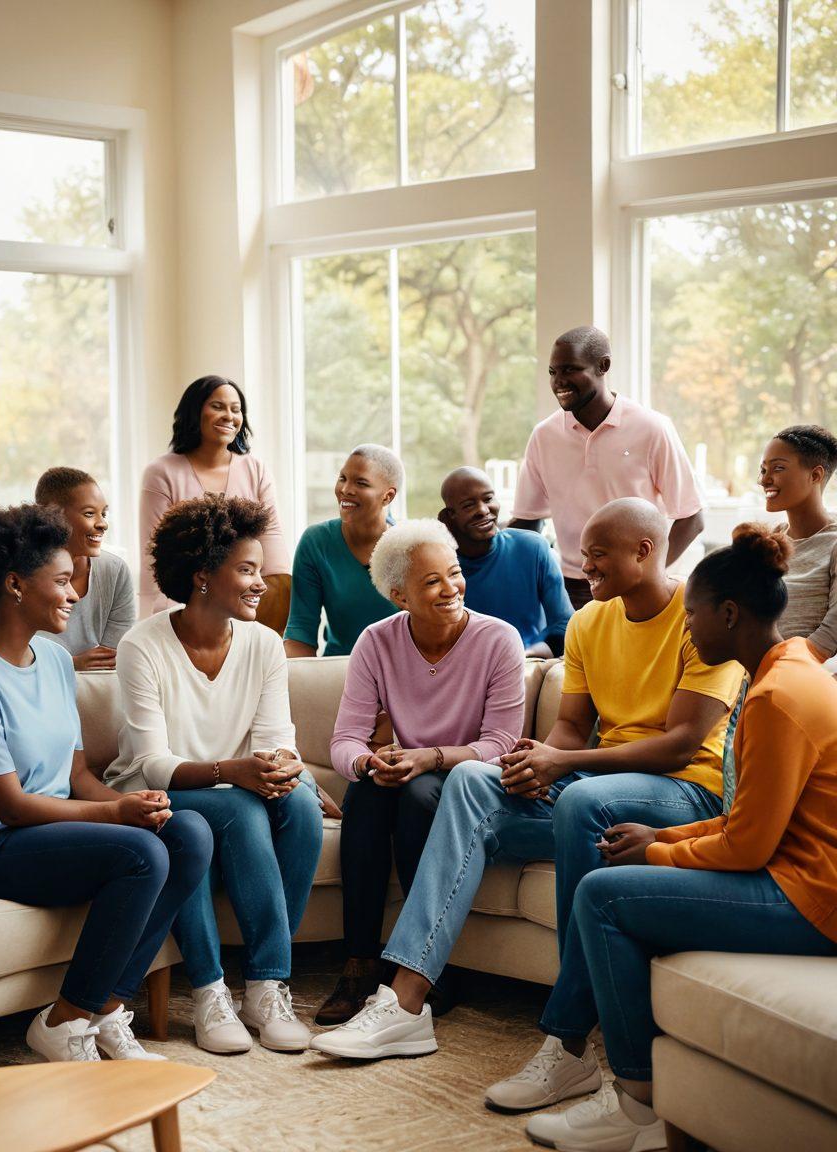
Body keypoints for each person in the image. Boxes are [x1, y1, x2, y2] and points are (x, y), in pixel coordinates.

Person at [310, 498, 743, 1062]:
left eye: (597, 555)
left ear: (644, 550)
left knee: (574, 798)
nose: (583, 567)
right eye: (583, 554)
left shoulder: (701, 614)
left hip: (681, 790)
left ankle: (567, 1041)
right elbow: (569, 726)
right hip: (592, 789)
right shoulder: (588, 621)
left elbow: (682, 744)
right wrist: (533, 762)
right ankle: (406, 1003)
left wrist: (564, 765)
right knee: (470, 779)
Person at [521, 523, 837, 1151]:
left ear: (729, 612)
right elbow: (749, 816)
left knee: (603, 897)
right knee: (612, 886)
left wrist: (659, 849)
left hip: (812, 898)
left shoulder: (776, 696)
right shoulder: (785, 668)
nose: (686, 627)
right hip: (794, 873)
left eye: (692, 614)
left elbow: (748, 846)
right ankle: (603, 1074)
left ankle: (636, 1108)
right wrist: (664, 835)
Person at [0, 504, 212, 1063]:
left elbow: (76, 776)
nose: (74, 594)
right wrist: (117, 819)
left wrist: (135, 803)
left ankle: (107, 1009)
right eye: (62, 581)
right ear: (15, 584)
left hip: (45, 826)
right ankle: (64, 1023)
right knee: (140, 854)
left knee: (187, 832)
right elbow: (10, 806)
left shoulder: (57, 661)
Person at [105, 495, 323, 1055]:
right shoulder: (142, 646)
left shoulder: (264, 644)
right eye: (246, 570)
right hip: (155, 793)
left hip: (236, 784)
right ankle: (208, 990)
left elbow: (277, 738)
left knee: (299, 805)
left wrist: (284, 764)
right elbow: (153, 763)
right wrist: (235, 772)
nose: (261, 583)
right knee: (237, 808)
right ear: (203, 576)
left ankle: (266, 983)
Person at [314, 520, 525, 1027]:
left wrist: (428, 757)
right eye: (432, 582)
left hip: (464, 785)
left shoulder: (498, 640)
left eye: (454, 574)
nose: (450, 588)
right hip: (401, 775)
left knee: (421, 793)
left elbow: (500, 745)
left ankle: (427, 967)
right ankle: (360, 963)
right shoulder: (376, 642)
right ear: (398, 594)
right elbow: (344, 741)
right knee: (366, 794)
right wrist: (368, 762)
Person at [509, 326, 704, 609]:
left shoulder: (652, 427)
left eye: (570, 370)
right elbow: (528, 522)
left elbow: (691, 517)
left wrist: (650, 573)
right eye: (553, 372)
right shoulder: (544, 435)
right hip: (571, 589)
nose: (559, 382)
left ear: (604, 366)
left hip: (636, 588)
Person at [138, 375, 292, 632]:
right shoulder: (161, 472)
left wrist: (273, 614)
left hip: (246, 610)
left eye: (236, 409)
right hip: (183, 611)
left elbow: (272, 542)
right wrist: (167, 621)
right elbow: (153, 553)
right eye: (217, 406)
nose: (229, 416)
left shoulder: (256, 469)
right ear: (194, 412)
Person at [0, 468, 135, 671]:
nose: (103, 523)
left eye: (104, 513)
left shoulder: (115, 570)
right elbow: (10, 662)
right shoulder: (13, 581)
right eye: (89, 513)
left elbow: (110, 663)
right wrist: (70, 664)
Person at [283, 445, 402, 657]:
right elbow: (300, 631)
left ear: (388, 496)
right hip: (339, 673)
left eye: (361, 483)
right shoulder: (316, 542)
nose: (345, 490)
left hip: (399, 674)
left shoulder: (411, 547)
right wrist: (299, 684)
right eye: (342, 478)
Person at [439, 466, 572, 656]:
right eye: (468, 505)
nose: (483, 510)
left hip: (531, 663)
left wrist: (526, 655)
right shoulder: (441, 564)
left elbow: (566, 624)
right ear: (448, 517)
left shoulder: (532, 548)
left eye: (488, 499)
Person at [759, 424, 837, 658]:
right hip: (758, 673)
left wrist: (787, 666)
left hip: (804, 678)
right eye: (763, 470)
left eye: (778, 468)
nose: (764, 480)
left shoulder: (833, 544)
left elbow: (831, 634)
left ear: (815, 475)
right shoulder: (769, 542)